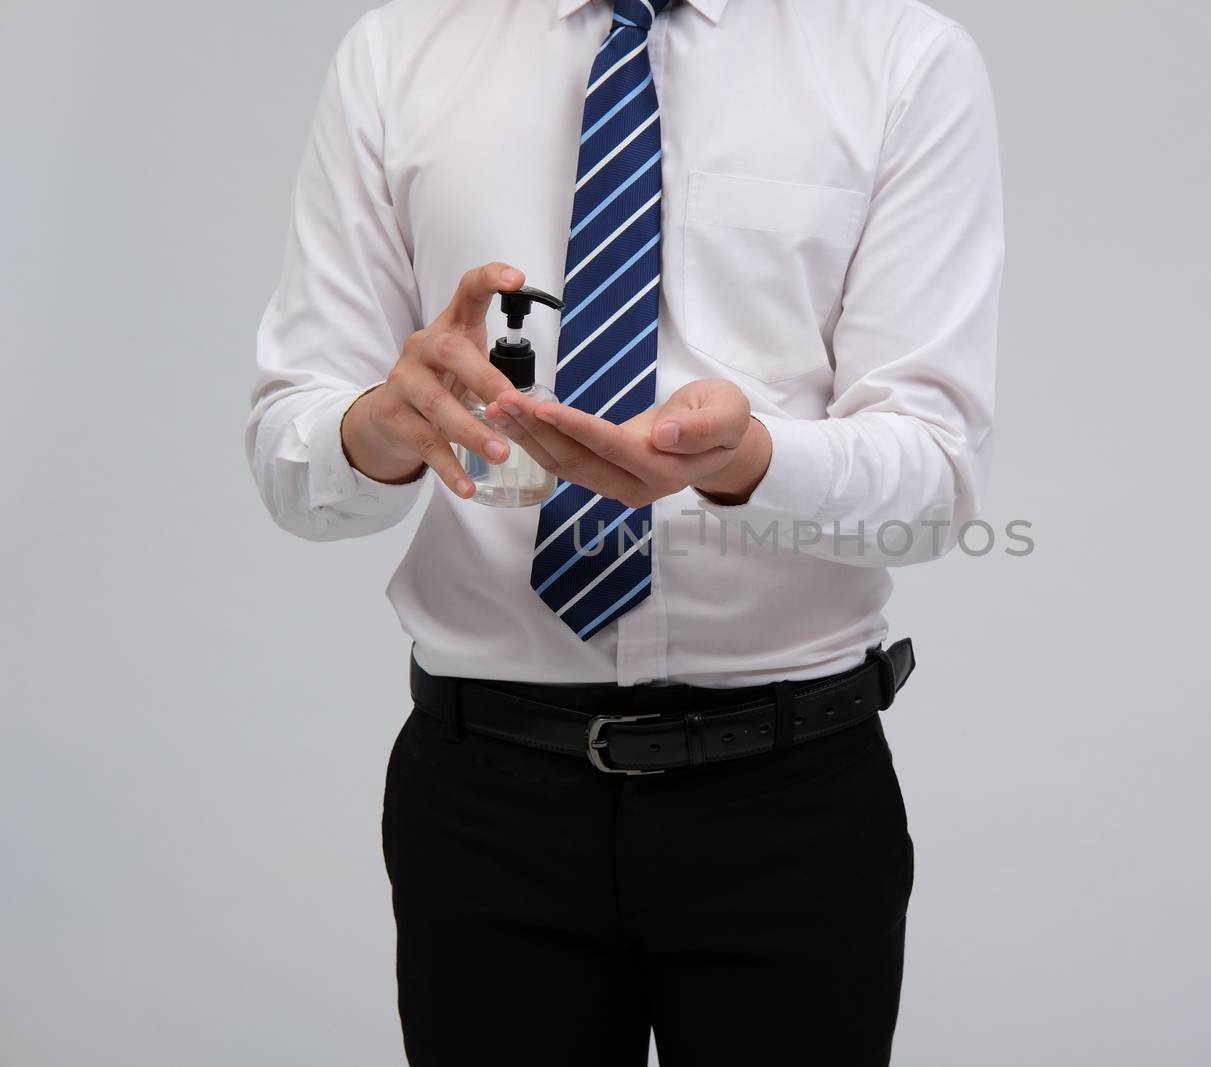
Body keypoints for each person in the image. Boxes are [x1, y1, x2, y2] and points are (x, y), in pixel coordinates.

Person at [244, 0, 1002, 1062]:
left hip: (789, 802)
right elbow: (296, 460)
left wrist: (751, 462)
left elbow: (933, 482)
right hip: (486, 798)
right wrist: (379, 425)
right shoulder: (399, 52)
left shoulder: (898, 56)